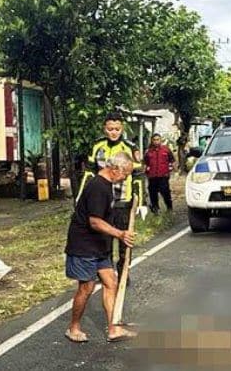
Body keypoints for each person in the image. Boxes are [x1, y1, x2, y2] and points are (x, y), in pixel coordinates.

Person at [65, 152, 137, 343]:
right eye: (125, 174)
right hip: (84, 245)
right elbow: (95, 222)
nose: (126, 178)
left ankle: (113, 328)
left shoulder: (108, 186)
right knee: (86, 287)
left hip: (99, 245)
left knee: (111, 283)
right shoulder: (98, 187)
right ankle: (73, 327)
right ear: (115, 169)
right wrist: (120, 234)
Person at [77, 112, 143, 286]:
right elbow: (89, 173)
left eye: (117, 129)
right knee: (104, 240)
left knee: (124, 242)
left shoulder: (130, 147)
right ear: (105, 129)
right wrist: (81, 199)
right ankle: (106, 274)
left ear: (122, 129)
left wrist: (140, 203)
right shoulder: (97, 145)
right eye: (110, 129)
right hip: (102, 203)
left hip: (123, 202)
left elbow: (138, 177)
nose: (114, 132)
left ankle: (123, 274)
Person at [144, 133, 175, 214]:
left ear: (160, 140)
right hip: (152, 176)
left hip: (163, 176)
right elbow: (146, 162)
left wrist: (170, 169)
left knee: (165, 193)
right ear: (152, 141)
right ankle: (155, 210)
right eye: (154, 140)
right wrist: (147, 171)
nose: (156, 141)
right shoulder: (148, 151)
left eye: (158, 139)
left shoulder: (166, 150)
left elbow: (172, 160)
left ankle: (169, 208)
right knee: (153, 194)